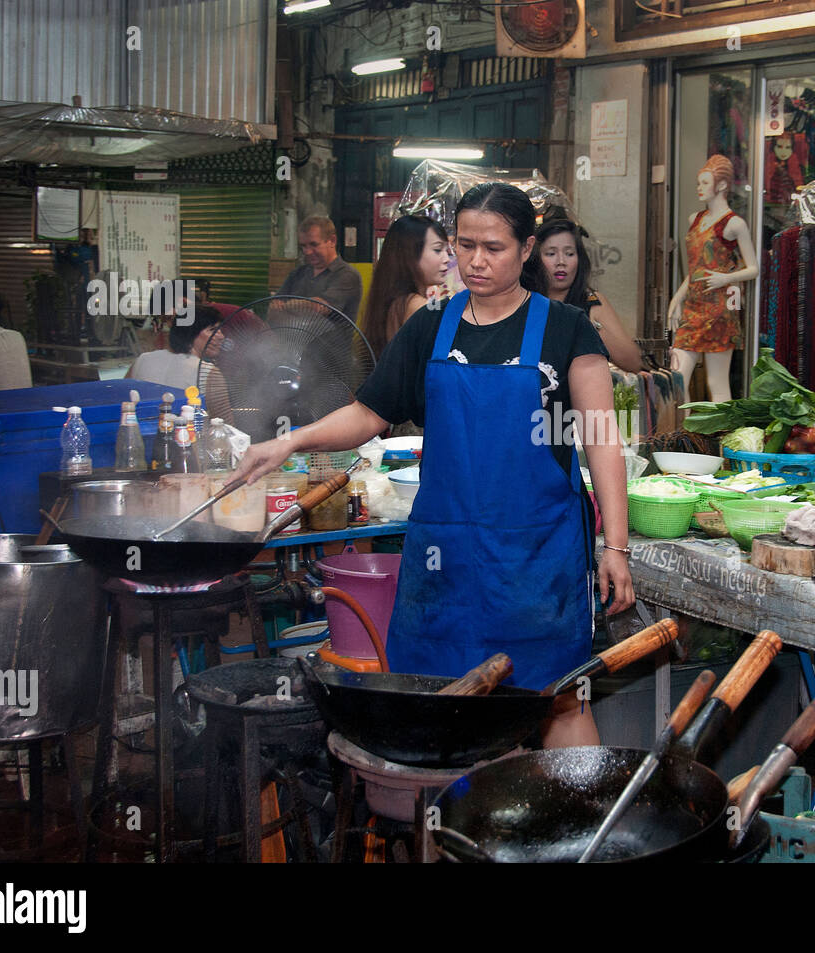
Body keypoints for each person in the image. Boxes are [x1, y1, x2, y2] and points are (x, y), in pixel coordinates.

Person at [234, 183, 634, 747]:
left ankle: (577, 830)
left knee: (559, 699)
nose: (475, 260)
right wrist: (287, 443)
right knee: (441, 700)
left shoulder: (567, 329)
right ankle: (459, 822)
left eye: (493, 247)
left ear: (526, 250)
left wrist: (614, 547)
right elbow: (368, 414)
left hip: (536, 561)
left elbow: (601, 440)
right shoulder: (431, 327)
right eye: (463, 244)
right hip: (446, 560)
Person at [667, 154, 759, 403]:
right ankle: (684, 437)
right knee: (677, 378)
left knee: (716, 382)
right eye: (699, 183)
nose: (699, 188)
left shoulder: (734, 224)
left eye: (704, 183)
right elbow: (695, 269)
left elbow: (753, 268)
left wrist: (725, 278)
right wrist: (677, 299)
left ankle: (721, 438)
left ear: (721, 186)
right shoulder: (694, 220)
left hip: (720, 310)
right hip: (693, 308)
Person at [522, 219, 644, 373]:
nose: (561, 262)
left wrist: (590, 326)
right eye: (551, 253)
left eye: (569, 253)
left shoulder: (592, 302)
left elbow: (633, 362)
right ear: (535, 258)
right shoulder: (523, 300)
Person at [363, 214, 450, 359]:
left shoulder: (396, 300)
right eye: (437, 250)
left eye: (446, 250)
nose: (446, 258)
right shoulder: (416, 305)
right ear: (410, 254)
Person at [276, 216, 363, 320]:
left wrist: (286, 306)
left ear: (332, 241)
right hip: (291, 336)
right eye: (303, 246)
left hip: (331, 337)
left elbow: (319, 307)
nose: (307, 252)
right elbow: (274, 306)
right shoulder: (297, 274)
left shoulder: (347, 276)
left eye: (314, 244)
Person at [126, 305, 222, 391]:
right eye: (213, 330)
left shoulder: (143, 360)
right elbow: (222, 411)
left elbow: (121, 396)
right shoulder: (208, 373)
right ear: (191, 333)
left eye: (220, 330)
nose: (221, 336)